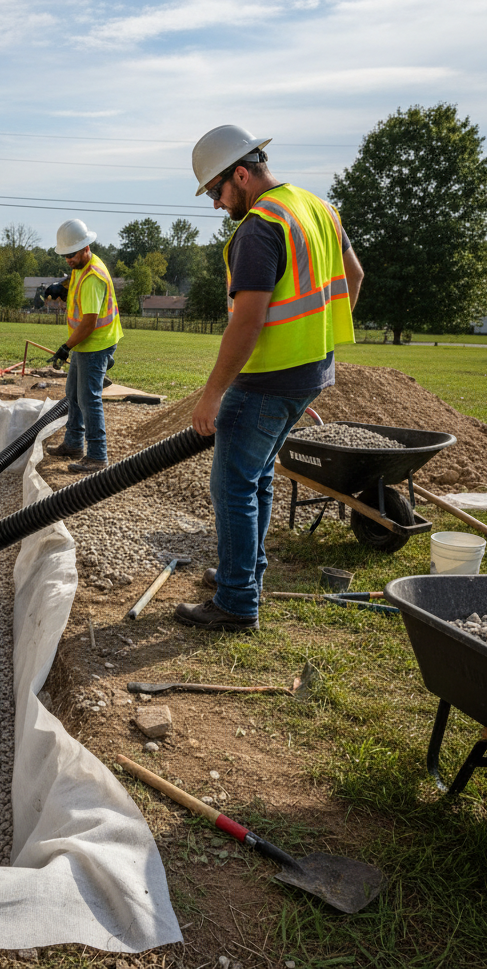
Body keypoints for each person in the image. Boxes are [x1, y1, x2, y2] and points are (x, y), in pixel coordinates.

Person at [175, 125, 363, 632]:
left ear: (241, 174)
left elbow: (248, 321)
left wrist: (212, 394)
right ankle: (244, 574)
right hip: (310, 371)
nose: (217, 204)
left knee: (233, 485)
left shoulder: (260, 226)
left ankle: (236, 602)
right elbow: (355, 277)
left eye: (216, 191)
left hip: (265, 380)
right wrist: (318, 340)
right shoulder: (318, 208)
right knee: (256, 478)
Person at [45, 218, 124, 473]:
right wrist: (63, 287)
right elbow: (75, 280)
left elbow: (89, 323)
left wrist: (65, 347)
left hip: (95, 344)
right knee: (73, 394)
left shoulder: (92, 278)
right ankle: (73, 444)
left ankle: (97, 456)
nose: (68, 259)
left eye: (72, 254)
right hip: (85, 344)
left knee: (89, 398)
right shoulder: (81, 265)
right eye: (65, 255)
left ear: (86, 247)